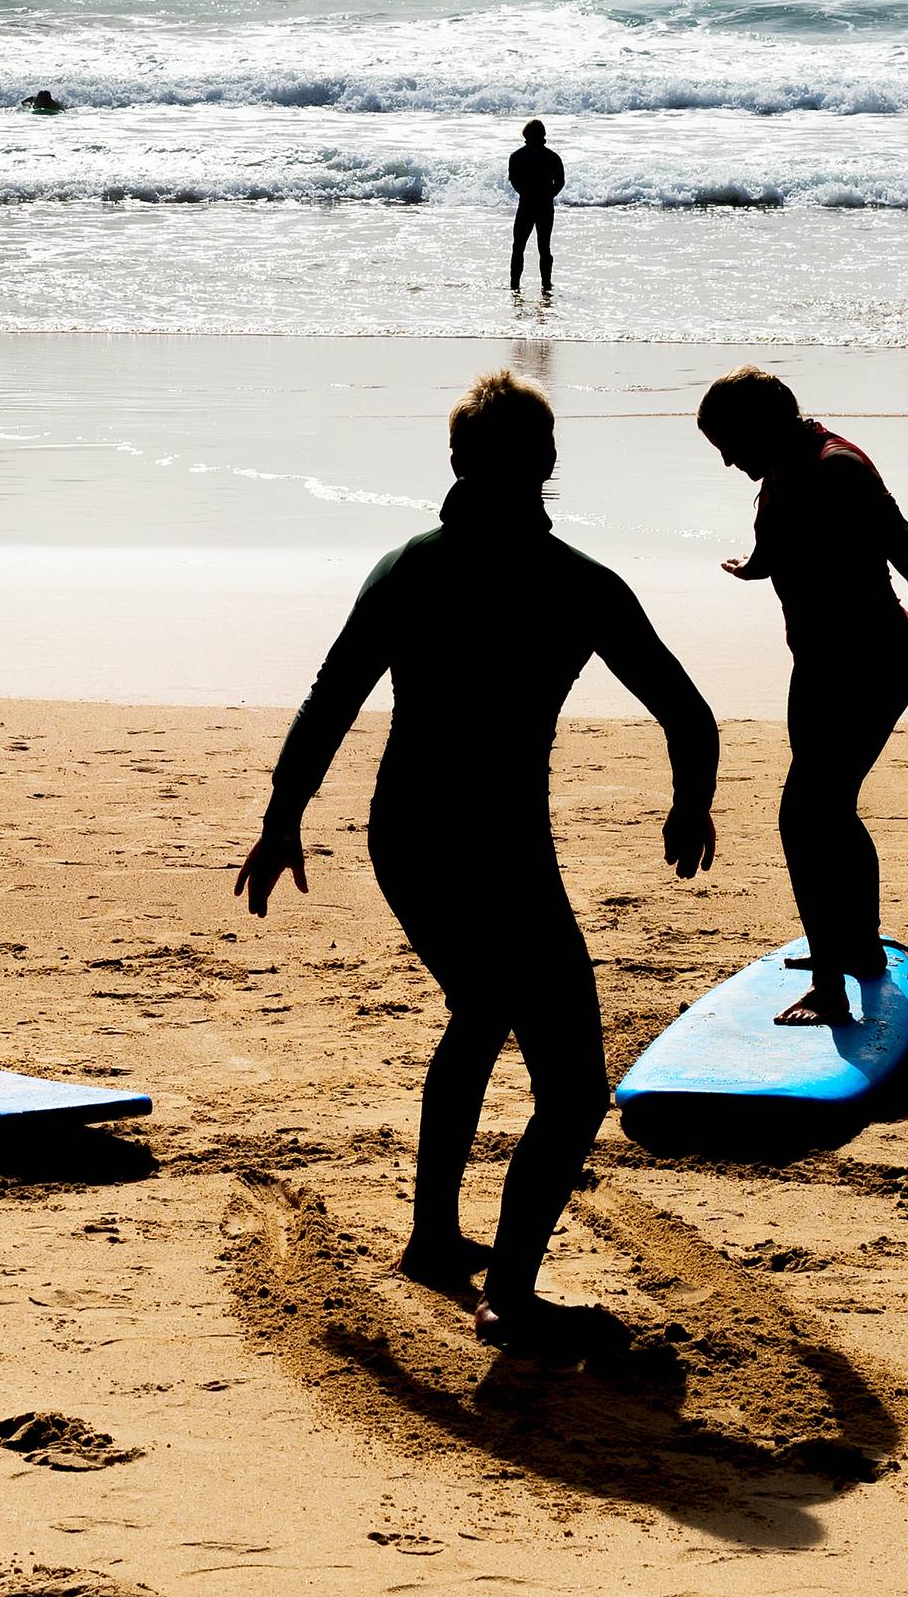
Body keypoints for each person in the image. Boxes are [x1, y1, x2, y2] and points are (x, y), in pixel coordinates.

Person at [235, 371, 718, 1357]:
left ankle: (428, 1238)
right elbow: (687, 712)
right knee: (574, 1087)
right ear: (544, 465)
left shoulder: (408, 567)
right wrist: (688, 800)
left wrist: (283, 817)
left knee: (479, 1008)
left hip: (407, 839)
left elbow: (329, 701)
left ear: (455, 462)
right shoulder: (578, 583)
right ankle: (508, 1293)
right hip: (499, 850)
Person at [697, 367, 908, 1030]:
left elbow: (893, 527)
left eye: (729, 442)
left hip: (873, 666)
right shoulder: (782, 467)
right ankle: (860, 951)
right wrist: (752, 566)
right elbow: (780, 539)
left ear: (762, 426)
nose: (727, 459)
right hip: (816, 667)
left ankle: (830, 986)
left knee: (803, 816)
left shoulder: (836, 466)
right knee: (831, 810)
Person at [507, 119, 564, 296]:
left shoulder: (517, 156)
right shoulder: (553, 157)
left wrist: (526, 193)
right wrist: (549, 195)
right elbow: (560, 182)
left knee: (518, 247)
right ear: (543, 135)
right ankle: (546, 285)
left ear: (526, 135)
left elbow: (514, 180)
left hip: (525, 204)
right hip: (545, 205)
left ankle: (514, 286)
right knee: (544, 248)